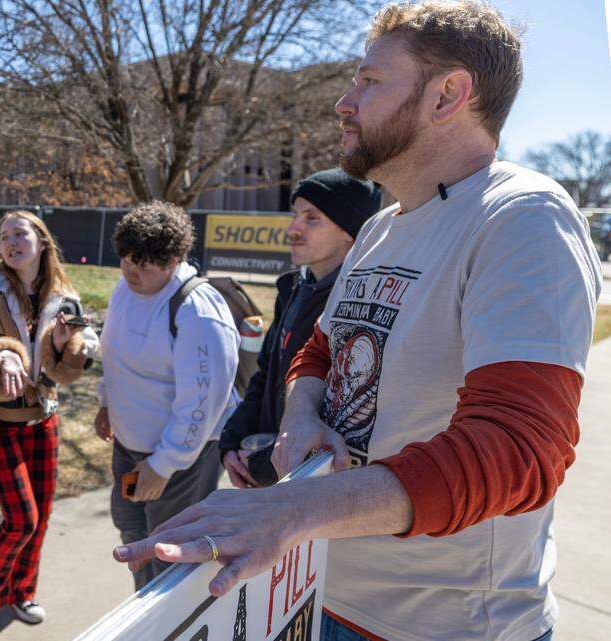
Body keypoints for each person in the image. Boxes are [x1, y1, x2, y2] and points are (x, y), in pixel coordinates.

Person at [113, 3, 601, 641]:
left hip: (443, 627)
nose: (345, 102)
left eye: (370, 82)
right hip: (319, 592)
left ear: (448, 95)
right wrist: (302, 414)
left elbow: (521, 449)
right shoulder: (378, 227)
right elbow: (319, 352)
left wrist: (291, 507)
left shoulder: (523, 217)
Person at [0, 210, 98, 637]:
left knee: (42, 516)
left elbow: (74, 367)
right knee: (21, 520)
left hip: (43, 417)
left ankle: (22, 591)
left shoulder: (66, 299)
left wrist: (61, 345)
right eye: (4, 237)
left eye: (20, 233)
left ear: (42, 240)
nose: (11, 242)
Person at [94, 201, 241, 589]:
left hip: (180, 463)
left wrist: (164, 463)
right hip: (130, 449)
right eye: (126, 259)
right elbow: (114, 354)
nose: (131, 271)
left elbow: (203, 402)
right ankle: (144, 612)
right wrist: (107, 401)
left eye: (144, 265)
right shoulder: (124, 289)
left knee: (172, 552)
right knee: (134, 537)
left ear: (174, 260)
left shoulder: (197, 311)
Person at [219, 169, 381, 487]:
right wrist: (231, 442)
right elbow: (264, 374)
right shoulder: (292, 289)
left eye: (312, 218)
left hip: (311, 487)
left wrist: (267, 464)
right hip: (266, 469)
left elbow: (346, 414)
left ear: (350, 232)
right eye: (295, 215)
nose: (293, 229)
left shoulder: (361, 307)